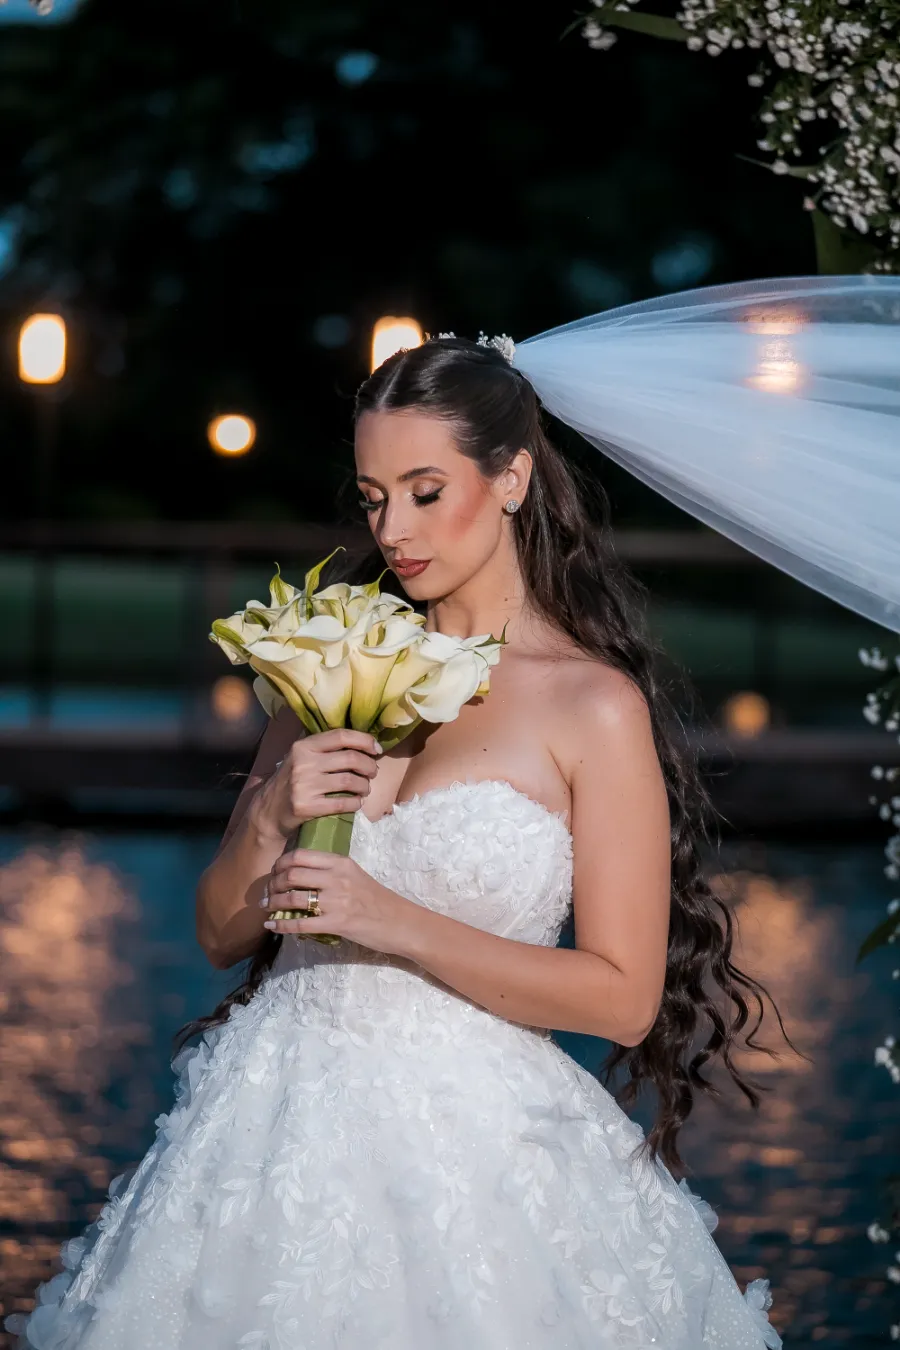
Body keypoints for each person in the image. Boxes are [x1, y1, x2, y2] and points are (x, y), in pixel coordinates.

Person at [7, 335, 787, 1349]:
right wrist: (270, 813)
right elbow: (218, 931)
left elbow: (625, 997)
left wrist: (392, 921)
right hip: (265, 1131)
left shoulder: (589, 705)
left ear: (510, 479)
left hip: (475, 1157)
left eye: (426, 490)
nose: (396, 528)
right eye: (375, 497)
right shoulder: (335, 663)